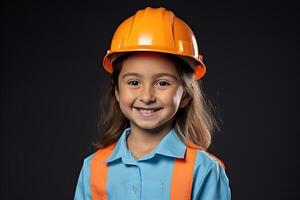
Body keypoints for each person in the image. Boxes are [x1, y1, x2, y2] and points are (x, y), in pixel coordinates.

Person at [74, 7, 231, 200]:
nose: (147, 96)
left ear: (185, 95)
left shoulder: (204, 170)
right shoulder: (93, 168)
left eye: (162, 83)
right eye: (133, 82)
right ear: (117, 91)